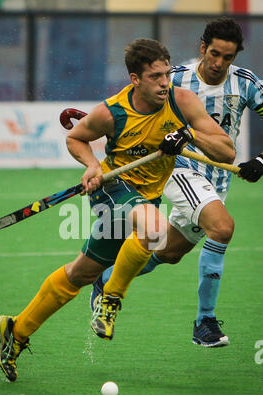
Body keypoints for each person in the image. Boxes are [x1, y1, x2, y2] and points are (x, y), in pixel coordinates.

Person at [0, 38, 234, 382]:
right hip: (113, 189)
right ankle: (110, 300)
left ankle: (15, 331)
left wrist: (188, 134)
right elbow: (75, 138)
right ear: (135, 79)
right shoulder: (112, 111)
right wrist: (92, 164)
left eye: (167, 74)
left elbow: (226, 152)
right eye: (155, 77)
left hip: (145, 198)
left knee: (80, 274)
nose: (165, 82)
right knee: (154, 229)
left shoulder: (182, 103)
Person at [91, 17, 263, 348]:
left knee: (169, 252)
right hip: (177, 168)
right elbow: (130, 108)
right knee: (223, 228)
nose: (218, 63)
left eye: (227, 57)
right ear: (202, 47)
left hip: (217, 179)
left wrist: (259, 160)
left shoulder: (246, 83)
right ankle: (205, 322)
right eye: (214, 54)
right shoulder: (175, 80)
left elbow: (225, 149)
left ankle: (105, 280)